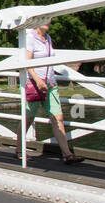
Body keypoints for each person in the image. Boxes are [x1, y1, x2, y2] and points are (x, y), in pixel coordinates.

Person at [16, 19, 84, 165]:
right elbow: (27, 63)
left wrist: (49, 80)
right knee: (28, 119)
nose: (48, 22)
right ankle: (19, 150)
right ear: (37, 22)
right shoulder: (30, 38)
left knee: (58, 117)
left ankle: (67, 154)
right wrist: (38, 80)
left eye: (49, 20)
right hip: (35, 84)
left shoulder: (48, 38)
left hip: (50, 84)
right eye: (44, 20)